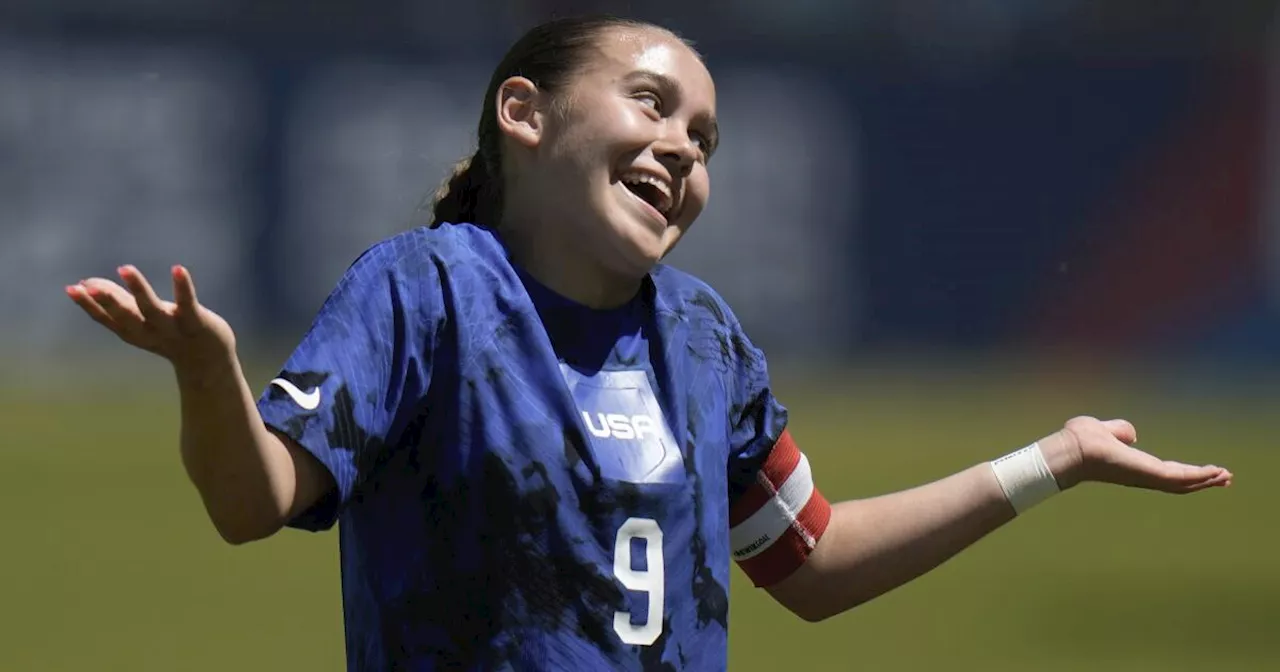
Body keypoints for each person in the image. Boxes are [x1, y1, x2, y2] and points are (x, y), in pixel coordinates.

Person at [65, 14, 1233, 671]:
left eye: (705, 136)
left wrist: (1052, 460)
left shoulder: (702, 340)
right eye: (648, 104)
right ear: (523, 116)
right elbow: (251, 499)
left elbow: (811, 566)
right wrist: (207, 372)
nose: (682, 148)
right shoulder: (427, 292)